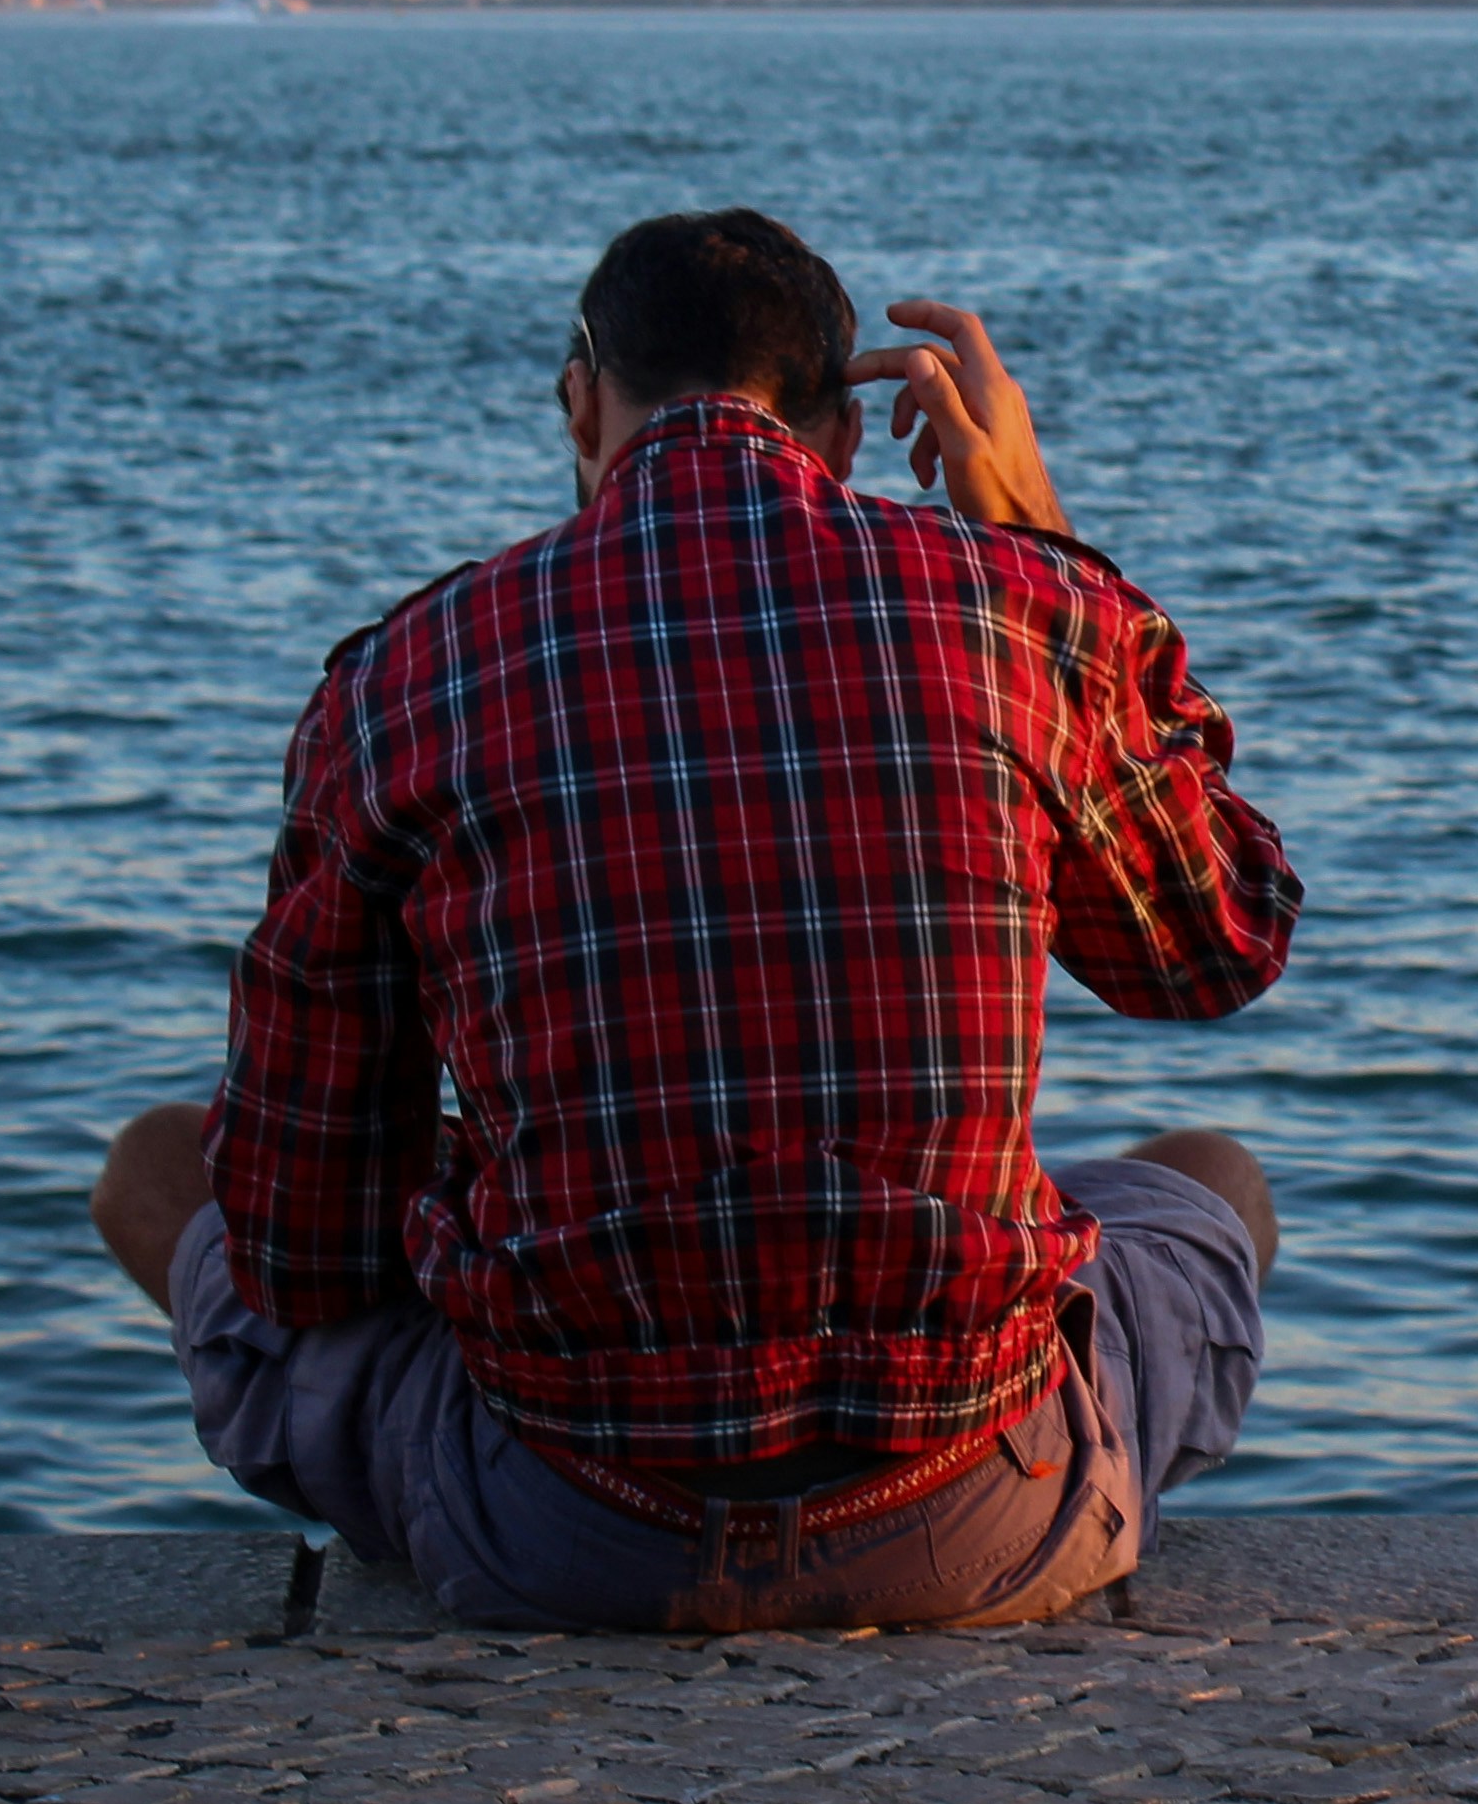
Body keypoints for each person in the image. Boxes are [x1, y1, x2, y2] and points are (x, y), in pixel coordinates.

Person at [87, 207, 1300, 1630]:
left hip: (554, 1526)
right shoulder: (1018, 609)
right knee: (1208, 1177)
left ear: (578, 398)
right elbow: (1215, 946)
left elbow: (306, 1244)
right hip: (976, 1510)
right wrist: (1038, 538)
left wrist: (486, 1180)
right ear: (842, 438)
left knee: (159, 1166)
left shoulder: (407, 673)